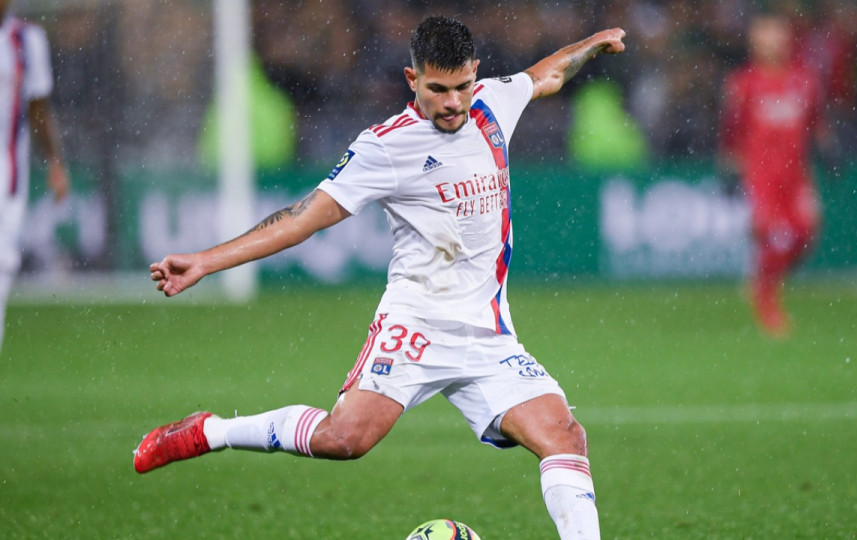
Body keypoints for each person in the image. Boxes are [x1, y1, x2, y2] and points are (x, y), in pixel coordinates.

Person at [135, 17, 625, 540]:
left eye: (461, 86)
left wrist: (590, 46)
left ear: (474, 74)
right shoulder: (386, 147)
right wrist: (208, 261)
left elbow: (545, 76)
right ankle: (211, 431)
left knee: (565, 437)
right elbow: (301, 217)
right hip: (415, 322)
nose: (454, 103)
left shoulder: (493, 102)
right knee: (343, 440)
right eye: (437, 89)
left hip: (488, 333)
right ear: (412, 79)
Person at [718, 13, 827, 337]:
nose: (772, 42)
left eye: (777, 35)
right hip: (761, 174)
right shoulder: (742, 83)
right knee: (772, 234)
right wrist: (728, 167)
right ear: (754, 42)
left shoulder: (804, 79)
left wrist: (829, 149)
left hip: (796, 174)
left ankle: (763, 280)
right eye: (764, 36)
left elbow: (816, 121)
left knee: (805, 234)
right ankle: (766, 302)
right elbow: (731, 131)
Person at [0, 0, 70, 354]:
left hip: (6, 179)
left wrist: (55, 161)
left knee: (1, 265)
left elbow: (38, 109)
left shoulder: (27, 40)